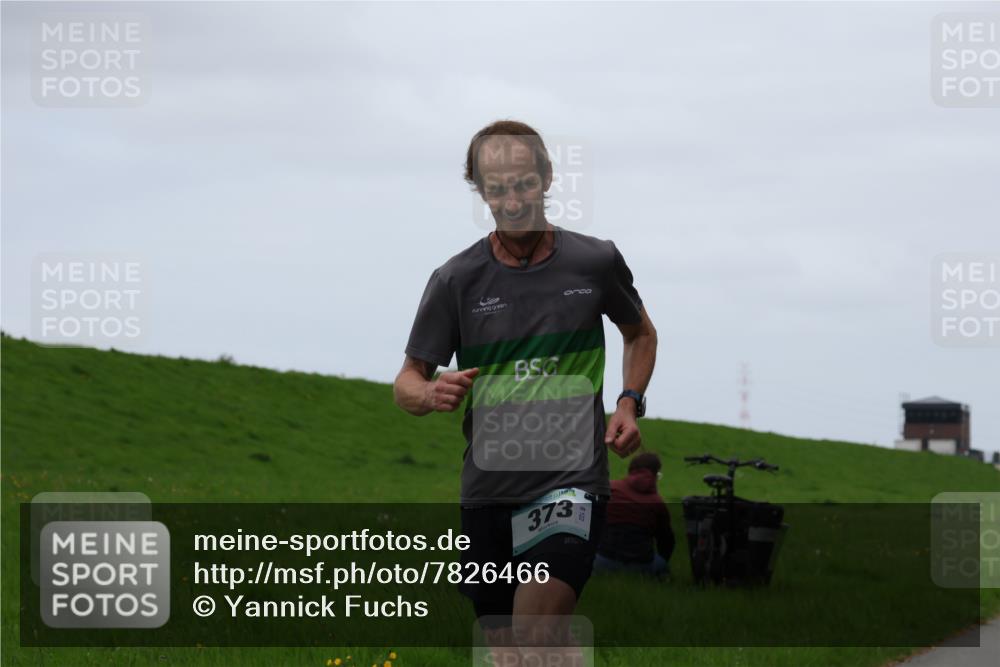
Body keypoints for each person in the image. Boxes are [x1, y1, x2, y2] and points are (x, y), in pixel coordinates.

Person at [393, 119, 657, 664]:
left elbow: (640, 333)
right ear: (480, 191)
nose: (512, 201)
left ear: (546, 178)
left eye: (523, 185)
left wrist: (629, 402)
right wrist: (429, 394)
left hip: (570, 481)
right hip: (488, 488)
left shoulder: (595, 261)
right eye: (497, 189)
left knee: (537, 631)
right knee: (507, 651)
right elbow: (407, 380)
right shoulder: (456, 279)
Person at [594, 452, 674, 578]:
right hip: (642, 565)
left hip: (603, 561)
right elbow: (667, 541)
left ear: (631, 471)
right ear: (655, 475)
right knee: (663, 567)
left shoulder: (610, 489)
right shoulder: (657, 503)